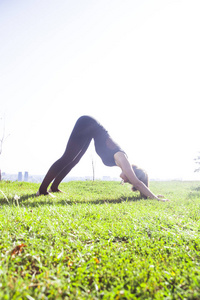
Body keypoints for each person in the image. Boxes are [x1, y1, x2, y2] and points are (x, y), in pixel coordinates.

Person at [36, 115, 168, 201]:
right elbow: (138, 183)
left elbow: (139, 183)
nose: (123, 179)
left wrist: (151, 195)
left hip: (90, 131)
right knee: (67, 157)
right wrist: (156, 199)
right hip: (87, 123)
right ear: (132, 173)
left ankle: (54, 187)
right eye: (128, 179)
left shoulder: (120, 161)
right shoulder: (122, 158)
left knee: (75, 160)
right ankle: (42, 191)